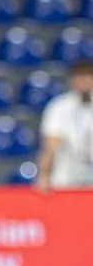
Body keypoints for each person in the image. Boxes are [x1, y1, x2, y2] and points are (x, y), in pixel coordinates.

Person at [36, 60, 93, 193]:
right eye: (79, 77)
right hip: (67, 176)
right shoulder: (59, 107)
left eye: (88, 77)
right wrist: (44, 174)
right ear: (71, 81)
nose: (84, 82)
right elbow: (50, 144)